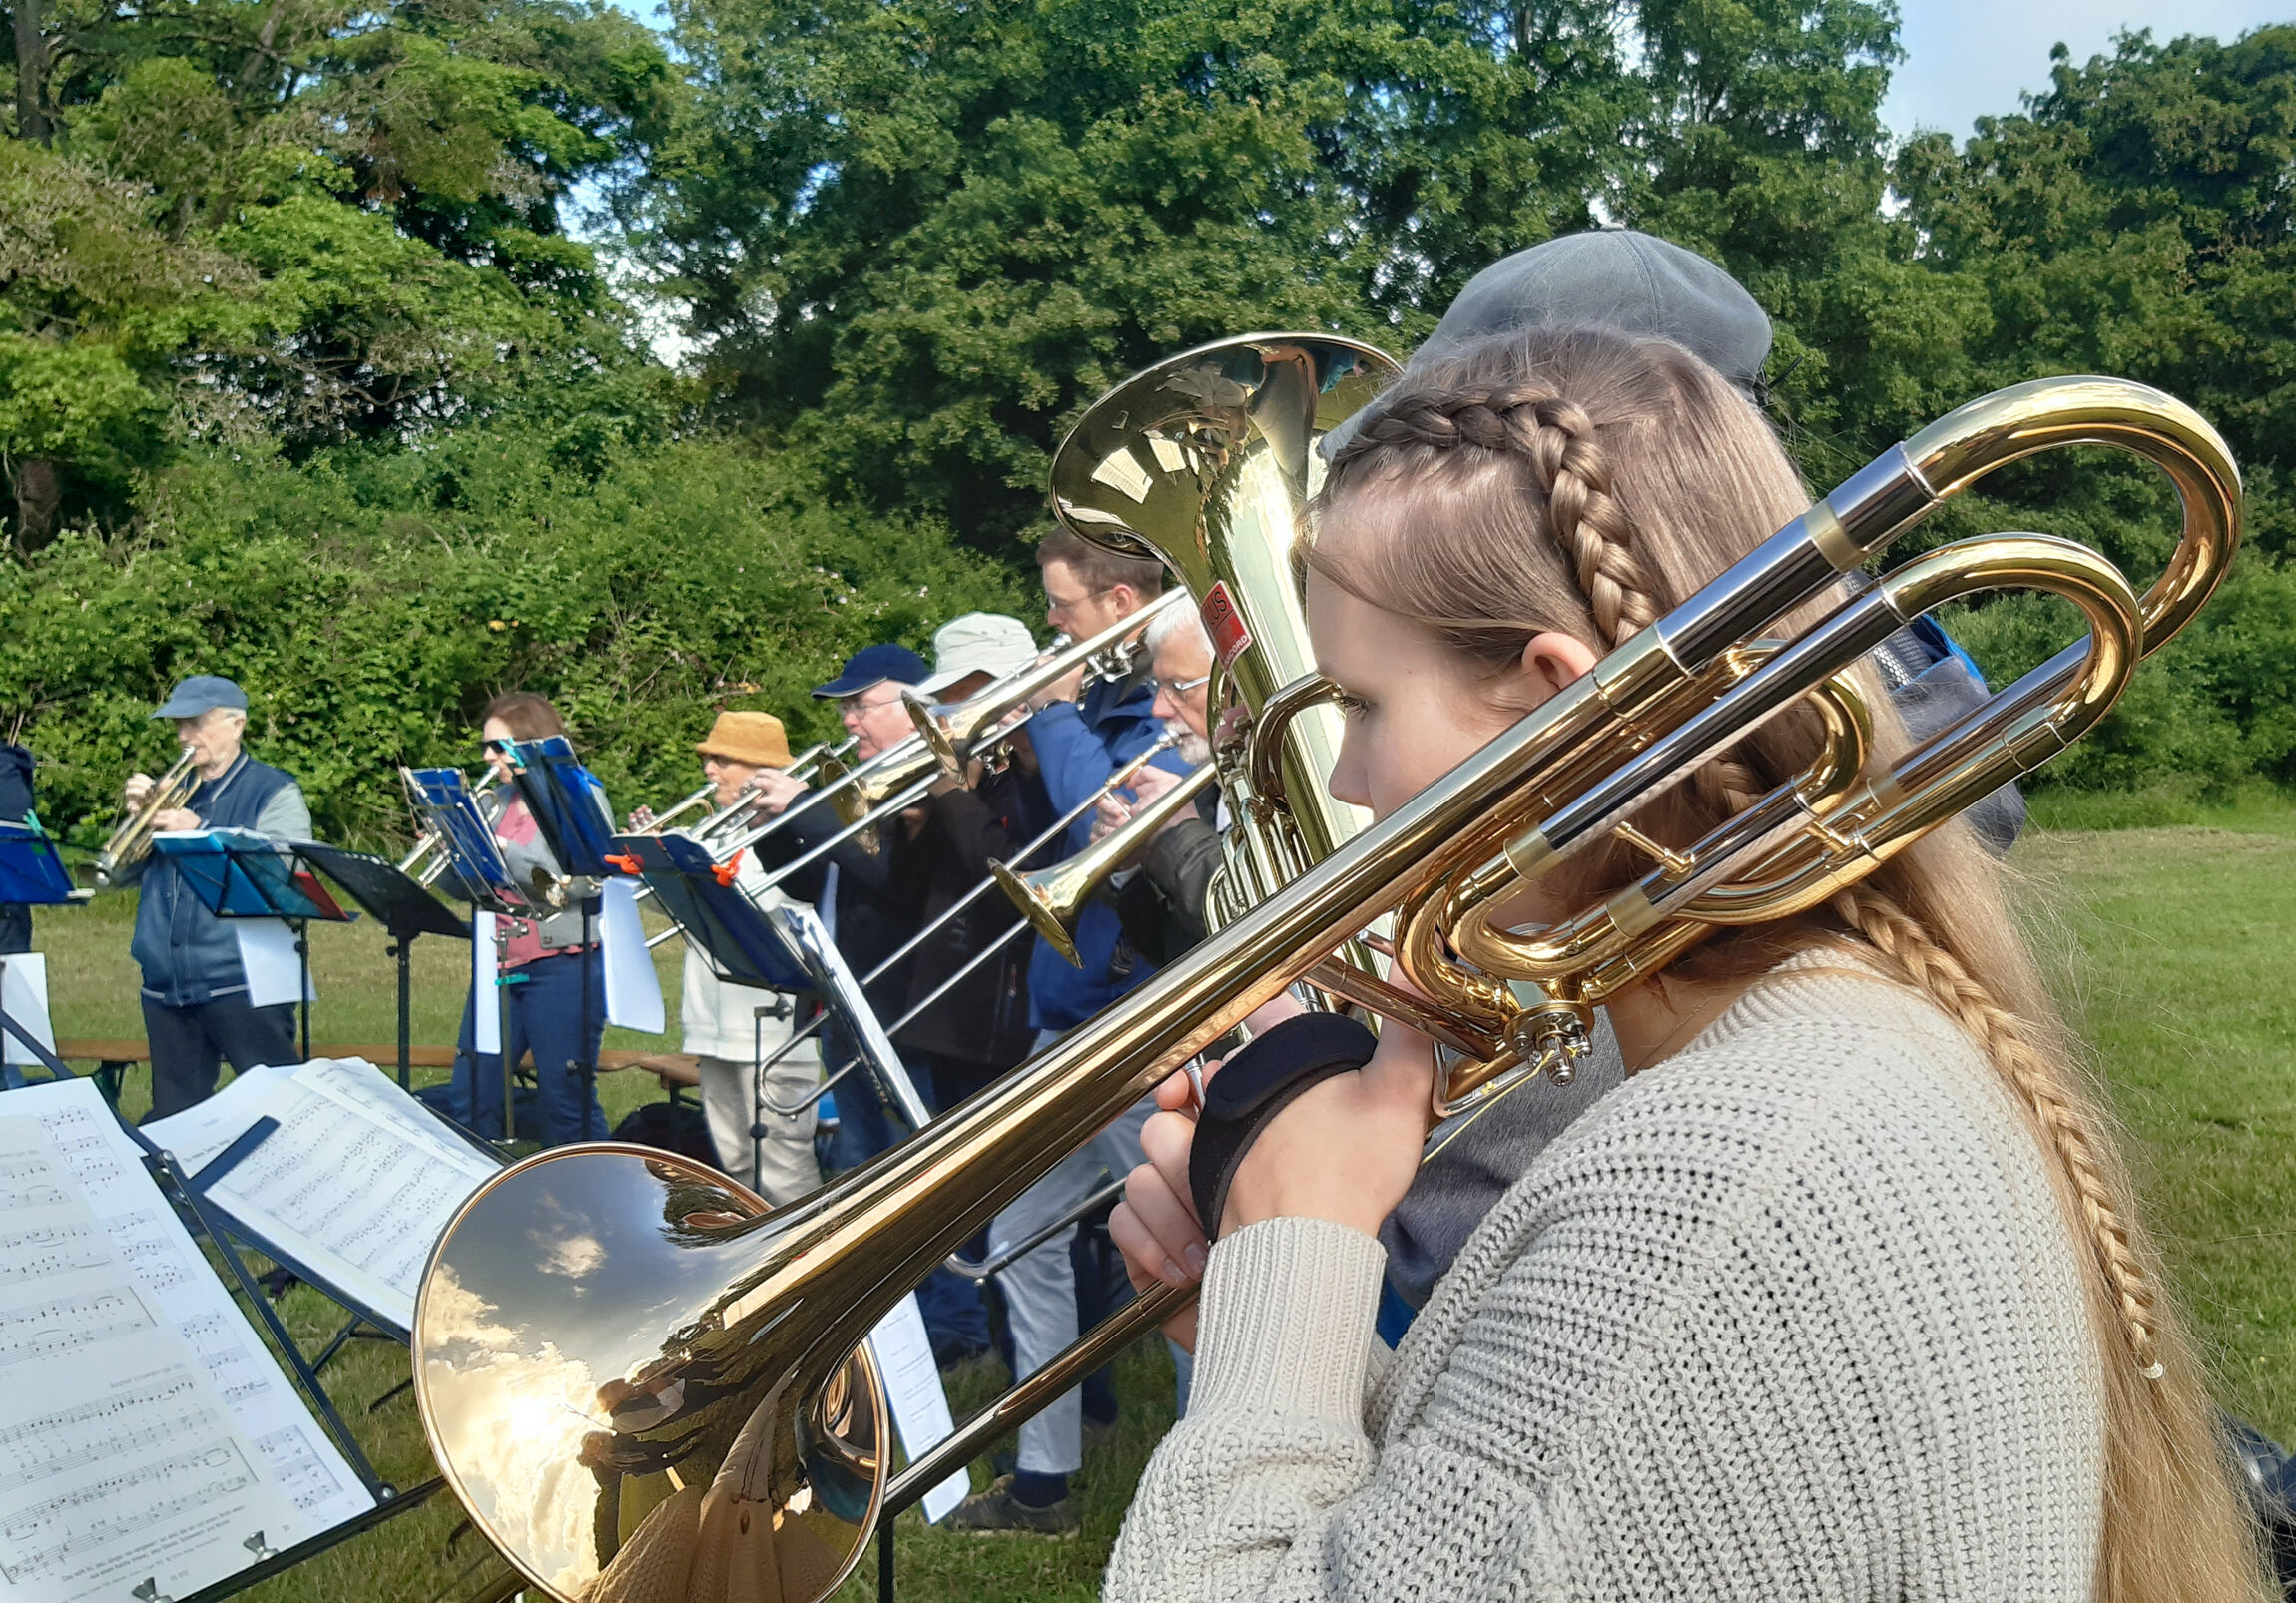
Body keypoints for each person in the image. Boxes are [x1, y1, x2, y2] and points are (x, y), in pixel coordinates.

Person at [1101, 324, 2267, 1602]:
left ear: (1553, 698)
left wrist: (1298, 1230)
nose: (1341, 780)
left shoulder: (1703, 1185)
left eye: (1363, 708)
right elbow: (1588, 1500)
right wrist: (1271, 1340)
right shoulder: (1836, 1048)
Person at [942, 530, 1185, 1535]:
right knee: (1020, 1236)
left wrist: (1045, 707)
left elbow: (1104, 822)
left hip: (1140, 1034)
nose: (1052, 626)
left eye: (1060, 606)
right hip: (1064, 1028)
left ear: (1116, 599)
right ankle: (1043, 1477)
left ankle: (1190, 1473)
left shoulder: (1175, 705)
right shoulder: (1096, 707)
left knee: (1177, 1260)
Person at [750, 621, 1047, 1366]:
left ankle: (951, 1327)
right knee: (866, 1166)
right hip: (853, 995)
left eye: (864, 704)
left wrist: (805, 811)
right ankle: (896, 1316)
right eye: (844, 708)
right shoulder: (864, 776)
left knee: (920, 1174)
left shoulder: (944, 770)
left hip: (918, 1004)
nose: (848, 721)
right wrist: (779, 829)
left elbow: (889, 882)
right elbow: (814, 878)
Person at [112, 676, 312, 1119]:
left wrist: (201, 834)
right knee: (175, 1117)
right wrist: (137, 825)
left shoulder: (274, 790)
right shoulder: (172, 789)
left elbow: (286, 874)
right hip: (168, 983)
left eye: (196, 723)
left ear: (235, 724)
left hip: (244, 979)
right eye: (179, 725)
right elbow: (118, 876)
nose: (184, 736)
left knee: (278, 1111)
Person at [656, 711, 826, 1204]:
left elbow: (772, 902)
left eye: (722, 760)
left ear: (760, 769)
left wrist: (697, 872)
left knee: (783, 1166)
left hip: (771, 1025)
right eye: (710, 758)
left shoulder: (791, 833)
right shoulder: (714, 832)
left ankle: (805, 1265)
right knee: (734, 1163)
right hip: (713, 1021)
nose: (709, 770)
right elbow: (680, 909)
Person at [441, 692, 611, 1146]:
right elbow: (475, 890)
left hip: (561, 960)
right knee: (473, 1091)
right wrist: (453, 855)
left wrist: (499, 852)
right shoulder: (494, 801)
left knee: (565, 1096)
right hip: (499, 961)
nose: (486, 757)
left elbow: (580, 878)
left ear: (530, 743)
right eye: (486, 746)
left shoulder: (578, 794)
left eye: (497, 747)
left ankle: (595, 1192)